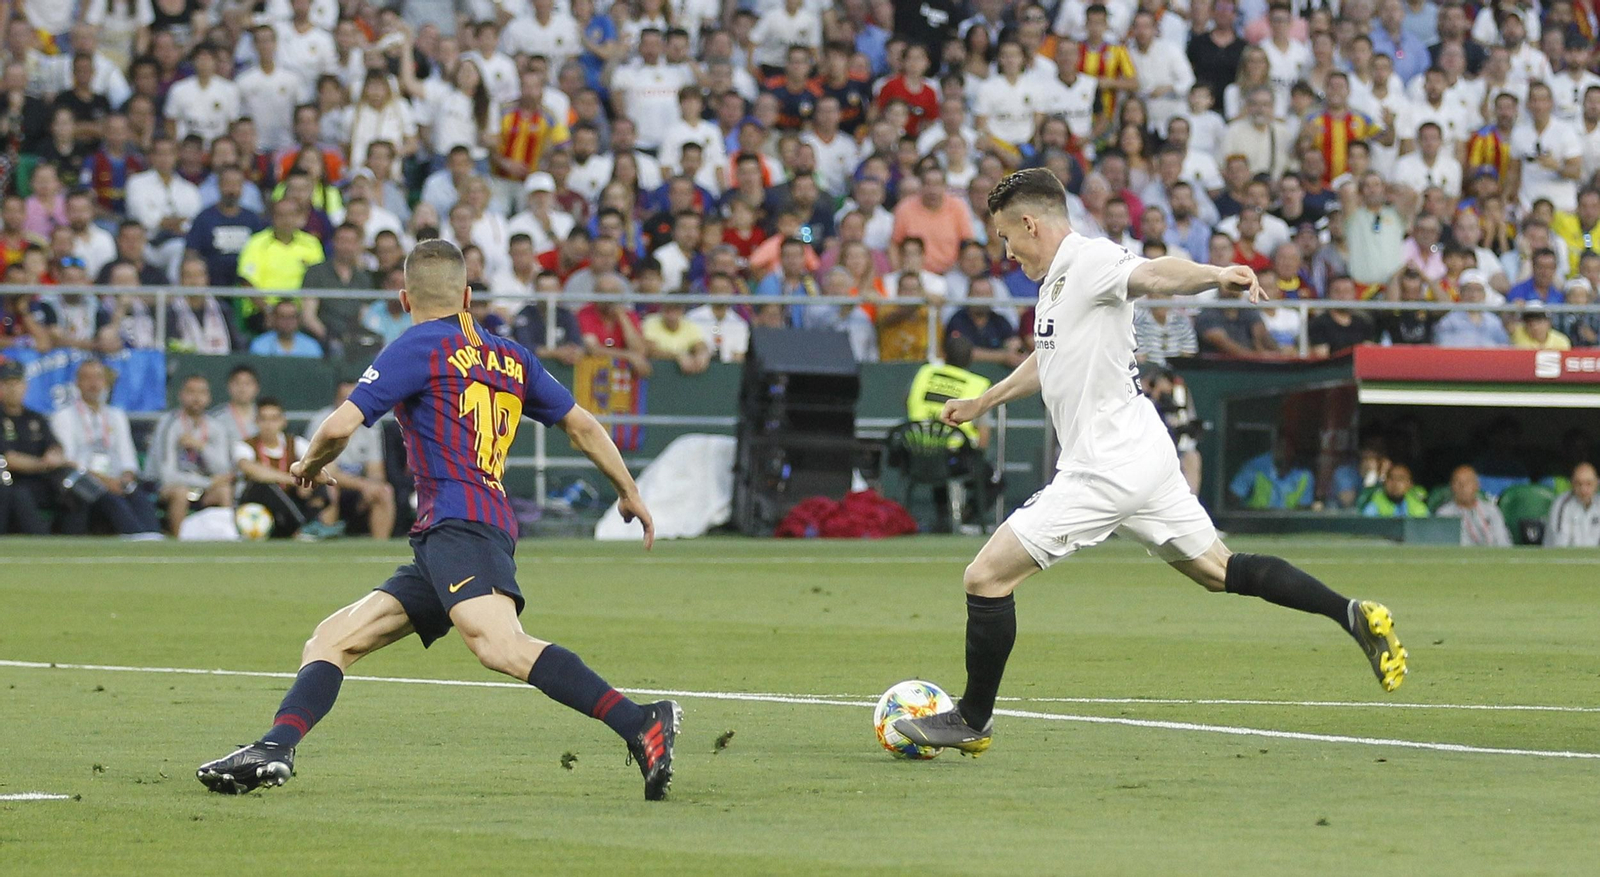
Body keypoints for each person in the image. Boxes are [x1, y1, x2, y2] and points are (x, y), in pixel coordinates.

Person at [891, 169, 1407, 757]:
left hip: (1105, 466)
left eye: (1008, 237)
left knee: (985, 578)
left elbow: (1156, 273)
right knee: (1221, 570)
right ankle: (1351, 613)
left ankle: (973, 718)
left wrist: (1215, 274)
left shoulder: (1091, 260)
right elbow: (1049, 357)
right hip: (1145, 454)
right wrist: (984, 400)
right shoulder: (1058, 282)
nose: (1007, 252)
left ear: (1030, 223)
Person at [196, 240, 677, 801]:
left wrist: (308, 465)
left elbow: (336, 427)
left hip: (460, 525)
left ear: (404, 299)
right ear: (468, 296)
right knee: (333, 639)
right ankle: (275, 746)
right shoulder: (512, 355)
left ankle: (640, 721)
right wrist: (629, 491)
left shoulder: (417, 346)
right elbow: (584, 427)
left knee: (499, 644)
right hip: (455, 531)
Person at [303, 379, 394, 540]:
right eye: (343, 399)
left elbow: (376, 471)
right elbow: (325, 472)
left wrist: (372, 487)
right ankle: (325, 542)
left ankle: (379, 549)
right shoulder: (322, 421)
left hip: (358, 488)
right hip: (330, 484)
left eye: (352, 399)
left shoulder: (372, 425)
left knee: (384, 492)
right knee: (329, 488)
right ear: (335, 400)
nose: (348, 404)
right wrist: (363, 486)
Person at [147, 373, 235, 535]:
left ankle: (227, 538)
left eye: (201, 392)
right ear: (181, 395)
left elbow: (222, 469)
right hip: (166, 487)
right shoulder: (169, 424)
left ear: (208, 397)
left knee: (224, 491)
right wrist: (207, 482)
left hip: (202, 488)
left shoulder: (215, 426)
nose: (196, 398)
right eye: (191, 392)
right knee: (180, 492)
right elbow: (167, 476)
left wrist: (201, 446)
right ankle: (179, 540)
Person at [0, 358, 60, 534]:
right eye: (7, 383)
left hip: (40, 480)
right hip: (11, 481)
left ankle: (76, 538)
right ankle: (41, 541)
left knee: (69, 488)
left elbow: (54, 446)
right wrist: (43, 464)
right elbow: (9, 459)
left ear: (25, 385)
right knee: (18, 494)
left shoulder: (36, 418)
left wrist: (54, 455)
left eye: (17, 383)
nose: (13, 388)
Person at [1435, 464, 1512, 547]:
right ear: (1452, 486)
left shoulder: (1491, 510)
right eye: (1458, 482)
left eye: (1467, 482)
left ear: (1477, 485)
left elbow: (1503, 542)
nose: (1463, 487)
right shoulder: (1443, 514)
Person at [1230, 435, 1314, 510]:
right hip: (1254, 524)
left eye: (1288, 448)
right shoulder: (1254, 467)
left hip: (1287, 525)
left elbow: (1302, 513)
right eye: (1280, 447)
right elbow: (1232, 500)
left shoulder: (1305, 476)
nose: (1283, 452)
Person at [640, 292, 711, 375]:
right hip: (657, 374)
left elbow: (699, 344)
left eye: (676, 310)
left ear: (682, 310)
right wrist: (678, 356)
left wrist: (702, 354)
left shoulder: (689, 325)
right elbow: (650, 351)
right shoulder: (650, 322)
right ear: (662, 309)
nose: (672, 315)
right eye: (668, 310)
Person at [1546, 462, 1600, 547]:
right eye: (1579, 484)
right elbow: (1559, 545)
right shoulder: (1561, 505)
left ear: (1596, 484)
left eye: (1588, 484)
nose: (1584, 489)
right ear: (1572, 484)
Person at [249, 301, 325, 358]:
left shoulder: (311, 346)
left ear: (298, 320)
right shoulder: (260, 345)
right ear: (274, 319)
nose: (287, 322)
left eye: (291, 317)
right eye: (282, 317)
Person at [210, 363, 260, 449]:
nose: (242, 388)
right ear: (229, 386)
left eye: (247, 383)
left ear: (257, 387)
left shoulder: (266, 416)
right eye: (237, 383)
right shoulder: (216, 418)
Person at [1361, 463, 1429, 518]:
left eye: (1401, 479)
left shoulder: (1417, 503)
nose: (1395, 483)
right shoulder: (1375, 503)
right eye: (1391, 478)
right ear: (1385, 482)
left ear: (1409, 484)